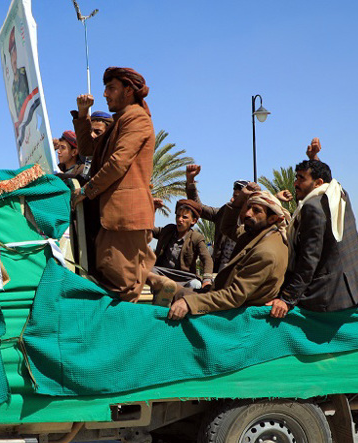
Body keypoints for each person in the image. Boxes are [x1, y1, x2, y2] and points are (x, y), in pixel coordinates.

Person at [71, 67, 156, 302]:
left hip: (125, 218)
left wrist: (86, 191)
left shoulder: (136, 119)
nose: (106, 94)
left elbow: (118, 163)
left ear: (128, 91)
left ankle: (129, 337)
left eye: (111, 88)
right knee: (113, 274)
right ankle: (160, 283)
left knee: (122, 287)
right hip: (113, 218)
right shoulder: (120, 122)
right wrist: (83, 113)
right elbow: (89, 150)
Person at [267, 140, 358, 318]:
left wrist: (287, 299)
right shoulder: (339, 194)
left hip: (329, 296)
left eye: (301, 179)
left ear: (317, 183)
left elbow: (309, 259)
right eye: (296, 177)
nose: (295, 183)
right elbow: (326, 178)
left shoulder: (312, 206)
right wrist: (313, 158)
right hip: (352, 288)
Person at [168, 191, 289, 320]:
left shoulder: (266, 252)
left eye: (256, 211)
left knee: (183, 300)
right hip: (229, 298)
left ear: (272, 219)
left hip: (241, 314)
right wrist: (239, 200)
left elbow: (234, 296)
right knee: (180, 293)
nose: (248, 214)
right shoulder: (255, 233)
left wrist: (190, 303)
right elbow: (227, 227)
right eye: (248, 207)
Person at [183, 164, 261, 273]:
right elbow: (198, 208)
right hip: (221, 268)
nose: (232, 199)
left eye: (238, 197)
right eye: (233, 195)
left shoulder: (257, 222)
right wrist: (190, 180)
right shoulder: (223, 212)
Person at [150, 199, 213, 288]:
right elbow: (149, 229)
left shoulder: (196, 237)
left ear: (193, 221)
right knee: (147, 271)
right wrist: (153, 209)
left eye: (184, 217)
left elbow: (207, 259)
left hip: (184, 276)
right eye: (178, 216)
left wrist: (207, 279)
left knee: (196, 284)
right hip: (163, 273)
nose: (180, 220)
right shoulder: (168, 230)